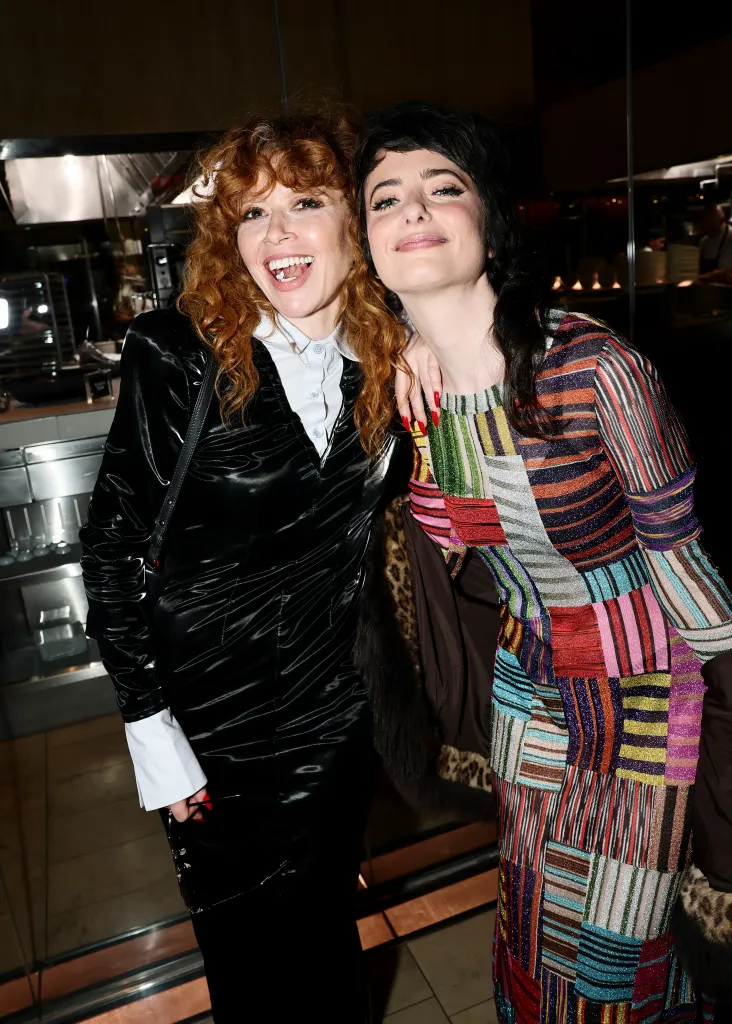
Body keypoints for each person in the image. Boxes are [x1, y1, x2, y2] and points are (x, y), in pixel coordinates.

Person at [354, 101, 732, 1022]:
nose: (413, 210)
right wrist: (411, 364)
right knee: (535, 936)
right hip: (528, 699)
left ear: (489, 218)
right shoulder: (414, 393)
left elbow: (688, 575)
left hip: (641, 703)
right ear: (368, 244)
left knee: (613, 967)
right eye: (385, 198)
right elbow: (451, 554)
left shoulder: (593, 369)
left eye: (443, 187)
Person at [80, 109, 416, 1023]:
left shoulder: (388, 357)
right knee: (251, 977)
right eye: (253, 213)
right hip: (212, 739)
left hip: (332, 717)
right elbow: (110, 552)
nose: (277, 235)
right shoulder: (179, 353)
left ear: (354, 220)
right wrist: (155, 738)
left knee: (330, 949)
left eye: (305, 202)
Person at [698, 202, 732, 275]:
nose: (706, 224)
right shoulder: (703, 242)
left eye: (711, 219)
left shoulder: (730, 237)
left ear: (721, 220)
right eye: (705, 220)